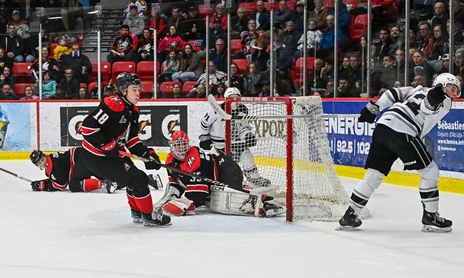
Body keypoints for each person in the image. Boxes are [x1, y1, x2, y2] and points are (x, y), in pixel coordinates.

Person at [339, 73, 461, 232]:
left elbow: (393, 93)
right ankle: (430, 216)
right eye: (452, 89)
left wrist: (376, 107)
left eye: (456, 91)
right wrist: (432, 99)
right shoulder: (444, 101)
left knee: (374, 175)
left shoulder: (417, 89)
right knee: (430, 171)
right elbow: (428, 106)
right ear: (442, 86)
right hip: (403, 131)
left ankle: (350, 215)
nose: (454, 94)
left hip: (383, 126)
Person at [80, 73, 171, 227]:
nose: (138, 93)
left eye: (138, 90)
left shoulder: (132, 110)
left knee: (133, 178)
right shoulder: (113, 104)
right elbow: (88, 128)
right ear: (123, 91)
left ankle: (137, 212)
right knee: (139, 179)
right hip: (96, 157)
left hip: (110, 155)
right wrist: (107, 146)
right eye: (134, 89)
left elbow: (131, 139)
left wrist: (147, 154)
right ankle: (149, 216)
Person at [155, 131, 284, 217]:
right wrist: (170, 196)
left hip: (226, 171)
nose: (181, 149)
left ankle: (264, 203)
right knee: (216, 199)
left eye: (183, 145)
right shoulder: (170, 161)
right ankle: (256, 198)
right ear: (171, 147)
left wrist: (185, 203)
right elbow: (176, 183)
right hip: (212, 181)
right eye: (178, 146)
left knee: (228, 197)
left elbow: (201, 188)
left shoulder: (195, 157)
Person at [198, 87, 271, 187]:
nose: (236, 102)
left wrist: (247, 136)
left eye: (238, 99)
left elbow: (243, 127)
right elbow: (204, 124)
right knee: (225, 166)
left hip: (234, 142)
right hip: (217, 145)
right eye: (233, 99)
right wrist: (204, 138)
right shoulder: (215, 111)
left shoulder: (242, 110)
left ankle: (254, 178)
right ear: (226, 99)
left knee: (246, 153)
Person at [29, 148, 118, 193]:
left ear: (44, 156)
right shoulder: (52, 160)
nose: (42, 163)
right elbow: (56, 179)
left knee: (74, 185)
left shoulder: (53, 166)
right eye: (39, 163)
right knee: (113, 179)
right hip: (83, 157)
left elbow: (61, 184)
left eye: (42, 159)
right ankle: (116, 181)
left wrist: (43, 185)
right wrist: (44, 182)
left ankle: (104, 184)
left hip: (81, 160)